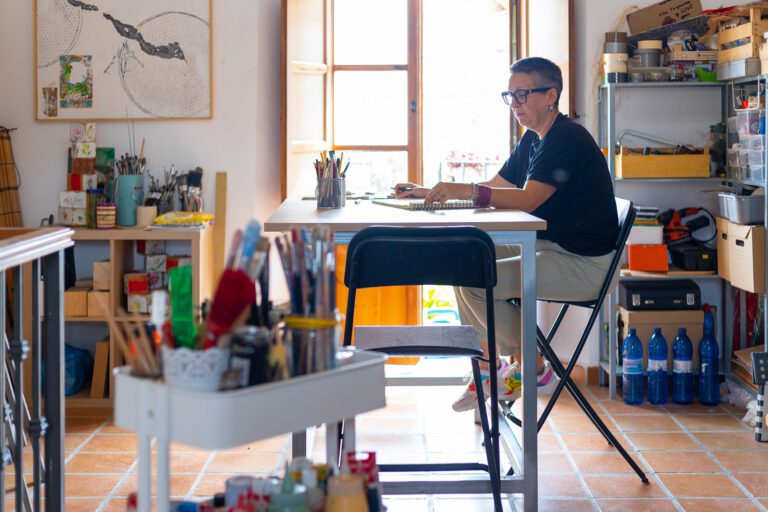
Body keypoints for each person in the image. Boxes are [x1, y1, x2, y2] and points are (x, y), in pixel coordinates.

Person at [394, 56, 619, 412]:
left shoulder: (566, 138)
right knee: (462, 260)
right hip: (553, 247)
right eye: (509, 95)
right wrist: (428, 192)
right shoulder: (534, 139)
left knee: (474, 281)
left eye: (522, 95)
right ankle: (490, 370)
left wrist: (464, 190)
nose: (514, 104)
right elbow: (496, 186)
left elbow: (528, 199)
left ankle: (535, 366)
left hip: (585, 264)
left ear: (550, 95)